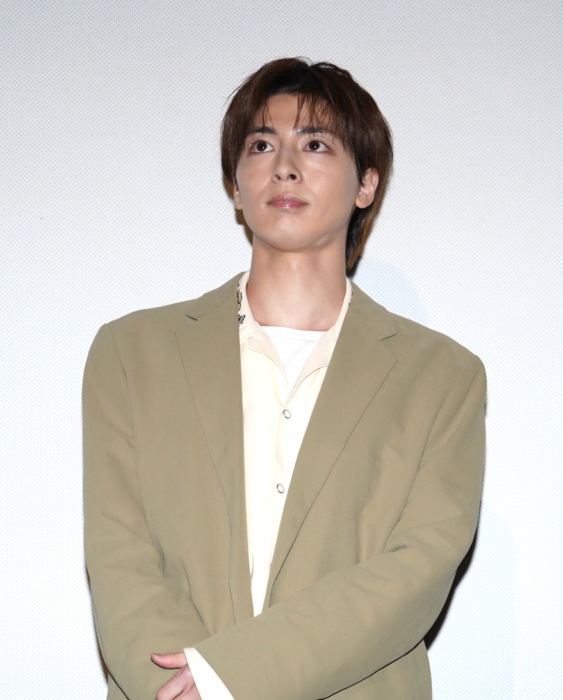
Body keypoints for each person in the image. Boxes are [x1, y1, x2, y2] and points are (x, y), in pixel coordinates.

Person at [83, 57, 486, 700]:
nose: (285, 166)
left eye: (317, 144)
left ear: (366, 184)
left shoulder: (442, 378)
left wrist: (232, 678)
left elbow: (416, 572)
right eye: (262, 145)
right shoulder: (132, 354)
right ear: (235, 185)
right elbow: (119, 556)